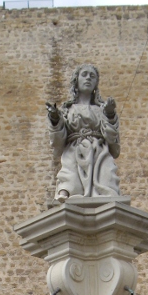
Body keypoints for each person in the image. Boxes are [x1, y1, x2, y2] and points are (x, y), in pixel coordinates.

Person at [46, 63, 121, 202]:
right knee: (70, 176)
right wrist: (55, 119)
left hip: (99, 153)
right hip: (75, 150)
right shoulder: (68, 110)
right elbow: (58, 142)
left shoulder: (101, 110)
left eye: (92, 76)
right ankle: (67, 190)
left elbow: (112, 138)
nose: (88, 78)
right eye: (84, 75)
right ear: (76, 80)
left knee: (107, 177)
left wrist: (110, 114)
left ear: (96, 84)